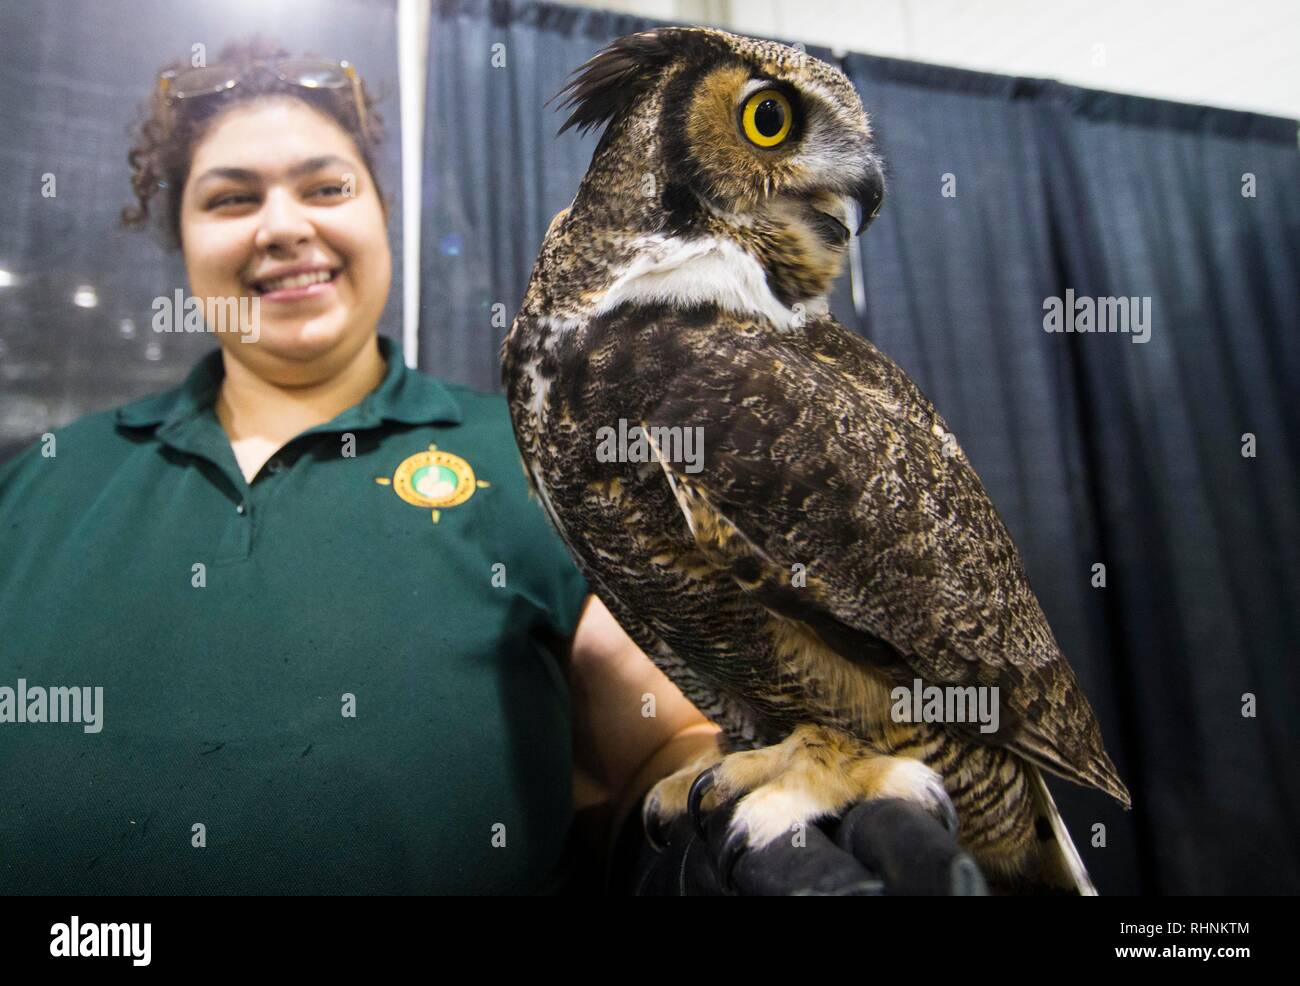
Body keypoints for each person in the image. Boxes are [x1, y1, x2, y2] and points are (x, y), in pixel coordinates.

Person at [0, 37, 975, 896]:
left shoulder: (534, 455)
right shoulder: (43, 480)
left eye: (326, 185)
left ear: (383, 215)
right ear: (181, 240)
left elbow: (658, 735)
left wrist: (731, 820)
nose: (283, 225)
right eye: (231, 197)